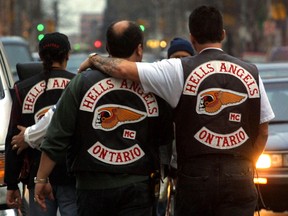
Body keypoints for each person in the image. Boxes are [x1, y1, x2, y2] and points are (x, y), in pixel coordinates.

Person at [78, 5, 275, 216]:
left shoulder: (177, 69)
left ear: (192, 38)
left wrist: (94, 58)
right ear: (223, 34)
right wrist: (246, 162)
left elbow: (122, 68)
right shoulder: (251, 72)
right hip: (240, 174)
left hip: (195, 177)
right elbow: (263, 131)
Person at [34, 20, 173, 216]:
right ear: (140, 49)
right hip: (138, 187)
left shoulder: (81, 83)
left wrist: (41, 179)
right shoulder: (153, 86)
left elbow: (57, 135)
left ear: (107, 48)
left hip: (92, 190)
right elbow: (165, 137)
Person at [5, 32, 77, 216]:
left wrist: (12, 183)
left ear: (40, 56)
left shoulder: (23, 89)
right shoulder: (79, 85)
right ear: (67, 55)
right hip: (73, 175)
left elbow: (13, 138)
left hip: (37, 175)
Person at [158, 37, 195, 216]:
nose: (179, 61)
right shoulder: (160, 91)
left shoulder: (199, 92)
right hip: (167, 168)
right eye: (175, 57)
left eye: (184, 57)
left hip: (193, 170)